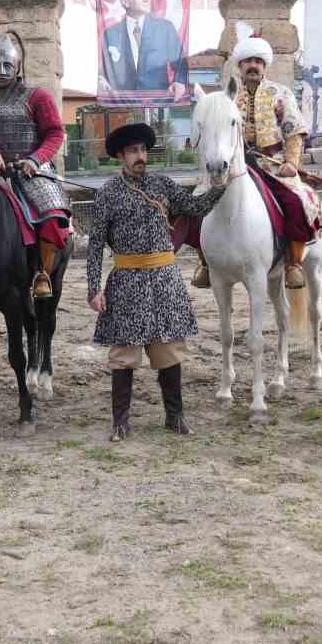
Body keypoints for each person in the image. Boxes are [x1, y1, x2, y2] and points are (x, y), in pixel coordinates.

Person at [87, 123, 228, 440]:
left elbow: (196, 207)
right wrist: (94, 289)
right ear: (120, 156)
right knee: (123, 354)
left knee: (170, 351)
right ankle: (120, 422)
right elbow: (95, 245)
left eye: (142, 150)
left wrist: (220, 185)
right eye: (133, 151)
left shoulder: (163, 185)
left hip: (165, 280)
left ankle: (174, 417)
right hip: (126, 281)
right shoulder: (108, 193)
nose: (139, 156)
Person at [187, 25, 321, 290]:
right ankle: (205, 262)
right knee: (195, 203)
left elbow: (294, 131)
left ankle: (293, 263)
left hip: (272, 165)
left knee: (295, 202)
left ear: (264, 65)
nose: (253, 66)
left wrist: (291, 163)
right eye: (248, 61)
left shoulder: (280, 93)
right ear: (240, 64)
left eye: (258, 61)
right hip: (233, 165)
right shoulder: (223, 98)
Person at [0, 33, 72, 300]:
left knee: (52, 214)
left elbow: (55, 133)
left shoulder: (37, 97)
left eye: (7, 66)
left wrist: (35, 159)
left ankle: (42, 273)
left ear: (17, 67)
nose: (1, 71)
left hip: (32, 170)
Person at [99, 0, 188, 98]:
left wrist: (179, 82)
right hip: (123, 103)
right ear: (125, 2)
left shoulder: (165, 29)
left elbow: (180, 62)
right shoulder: (110, 34)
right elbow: (106, 71)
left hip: (158, 101)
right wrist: (101, 81)